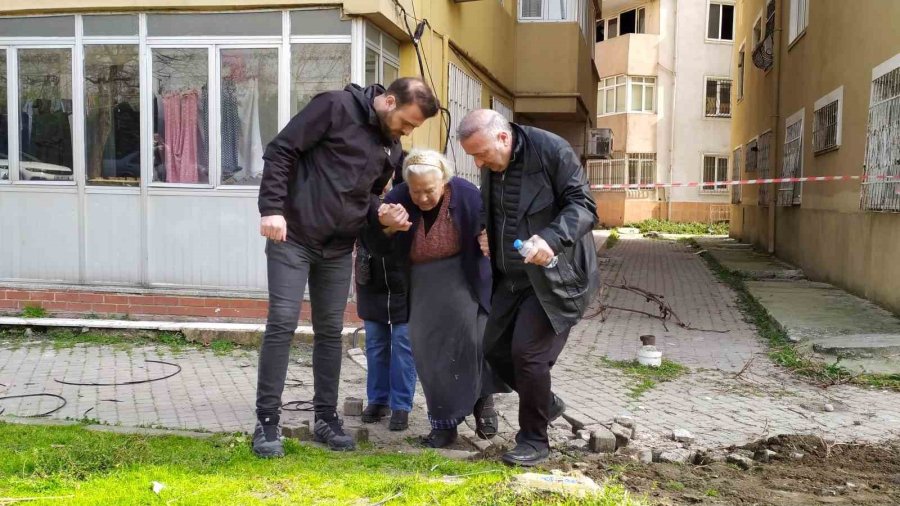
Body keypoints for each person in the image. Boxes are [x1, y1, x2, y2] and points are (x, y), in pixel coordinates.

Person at [253, 78, 439, 457]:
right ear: (389, 101)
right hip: (294, 236)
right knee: (283, 323)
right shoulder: (335, 107)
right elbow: (282, 150)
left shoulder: (390, 146)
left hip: (338, 249)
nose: (407, 131)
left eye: (414, 128)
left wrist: (383, 213)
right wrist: (271, 208)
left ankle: (326, 418)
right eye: (407, 121)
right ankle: (267, 422)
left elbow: (368, 195)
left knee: (329, 332)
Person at [457, 109, 599, 466]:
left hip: (556, 276)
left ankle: (534, 440)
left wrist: (551, 240)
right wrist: (484, 233)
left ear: (503, 138)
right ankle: (545, 403)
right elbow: (492, 209)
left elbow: (583, 206)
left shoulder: (552, 150)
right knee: (494, 349)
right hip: (513, 276)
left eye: (481, 153)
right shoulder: (492, 164)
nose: (478, 163)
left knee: (528, 355)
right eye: (472, 156)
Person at [373, 149, 508, 448]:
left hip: (464, 275)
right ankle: (444, 425)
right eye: (416, 190)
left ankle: (482, 400)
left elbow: (496, 224)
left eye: (429, 190)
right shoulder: (398, 197)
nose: (422, 198)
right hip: (422, 281)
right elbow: (376, 242)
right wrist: (387, 227)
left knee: (473, 342)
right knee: (429, 353)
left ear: (444, 181)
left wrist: (491, 238)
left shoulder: (467, 194)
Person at [354, 159, 416, 432]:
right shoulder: (359, 200)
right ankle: (378, 400)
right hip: (372, 280)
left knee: (404, 345)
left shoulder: (407, 199)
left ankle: (401, 406)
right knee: (376, 344)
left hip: (405, 282)